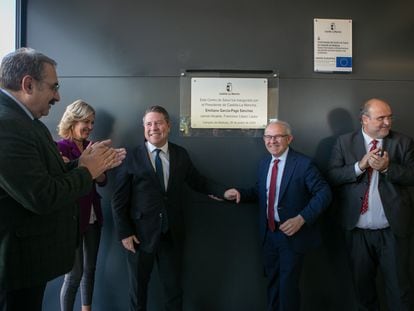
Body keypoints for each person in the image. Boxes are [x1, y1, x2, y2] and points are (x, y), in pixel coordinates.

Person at [0, 47, 125, 311]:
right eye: (54, 87)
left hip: (27, 263)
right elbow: (42, 196)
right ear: (28, 84)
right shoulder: (6, 125)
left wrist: (83, 163)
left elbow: (50, 176)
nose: (57, 96)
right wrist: (86, 170)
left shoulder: (29, 123)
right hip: (14, 266)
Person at [111, 105, 228, 311]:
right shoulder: (130, 156)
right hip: (139, 236)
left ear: (168, 125)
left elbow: (198, 181)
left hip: (171, 234)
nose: (153, 128)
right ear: (144, 128)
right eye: (149, 124)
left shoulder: (180, 154)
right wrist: (125, 233)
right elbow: (118, 200)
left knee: (173, 292)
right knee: (137, 292)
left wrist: (223, 192)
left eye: (158, 123)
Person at [224, 120, 331, 311]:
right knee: (273, 284)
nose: (272, 141)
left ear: (289, 139)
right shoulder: (265, 163)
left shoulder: (304, 164)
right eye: (268, 136)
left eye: (277, 136)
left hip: (292, 236)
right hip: (269, 234)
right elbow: (261, 192)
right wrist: (241, 193)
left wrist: (301, 219)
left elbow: (324, 194)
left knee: (288, 287)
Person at [327, 98, 413, 311]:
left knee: (399, 290)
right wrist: (359, 166)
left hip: (392, 231)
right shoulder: (344, 142)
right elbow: (332, 176)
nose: (387, 123)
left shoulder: (403, 142)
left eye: (389, 117)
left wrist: (387, 168)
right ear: (364, 119)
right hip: (357, 232)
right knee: (362, 290)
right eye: (381, 118)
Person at [57, 100, 107, 311]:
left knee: (90, 269)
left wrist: (104, 163)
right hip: (72, 219)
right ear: (73, 120)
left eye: (92, 122)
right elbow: (62, 183)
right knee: (74, 273)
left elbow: (103, 181)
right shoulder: (59, 148)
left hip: (93, 216)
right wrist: (87, 167)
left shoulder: (92, 147)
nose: (90, 126)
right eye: (86, 121)